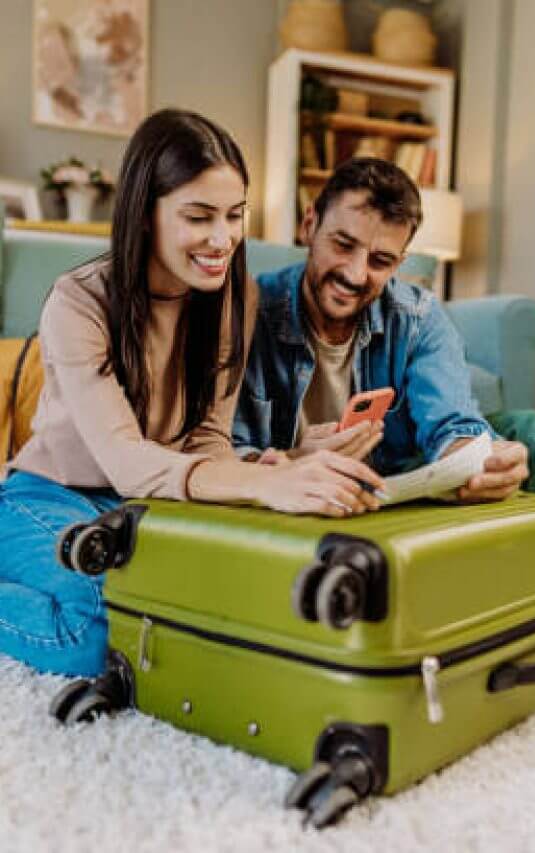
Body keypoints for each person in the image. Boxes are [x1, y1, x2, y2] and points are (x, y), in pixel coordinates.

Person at [0, 110, 384, 678]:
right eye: (199, 216)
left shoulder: (233, 299)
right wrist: (260, 485)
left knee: (211, 603)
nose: (222, 239)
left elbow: (206, 436)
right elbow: (126, 460)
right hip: (51, 495)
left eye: (235, 214)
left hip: (146, 506)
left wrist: (263, 471)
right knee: (101, 628)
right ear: (145, 213)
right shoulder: (78, 302)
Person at [232, 157, 535, 631]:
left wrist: (476, 463)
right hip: (294, 493)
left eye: (381, 261)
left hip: (391, 484)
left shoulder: (418, 316)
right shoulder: (245, 313)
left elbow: (451, 422)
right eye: (343, 245)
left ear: (400, 262)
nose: (356, 274)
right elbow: (224, 450)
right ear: (309, 224)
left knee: (529, 430)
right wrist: (294, 458)